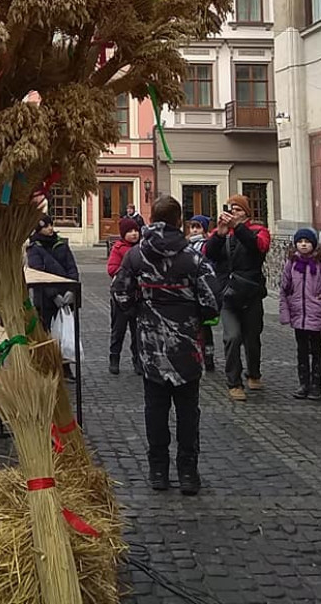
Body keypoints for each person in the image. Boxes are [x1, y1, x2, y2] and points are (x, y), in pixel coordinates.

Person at [111, 195, 219, 495]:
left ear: (153, 218)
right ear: (178, 220)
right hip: (186, 345)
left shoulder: (136, 255)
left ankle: (158, 470)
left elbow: (119, 292)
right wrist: (194, 317)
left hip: (151, 345)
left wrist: (139, 313)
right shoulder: (193, 257)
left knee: (155, 410)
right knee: (188, 411)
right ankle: (188, 472)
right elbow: (212, 299)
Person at [204, 194, 270, 402]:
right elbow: (209, 254)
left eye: (238, 210)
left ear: (246, 213)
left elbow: (258, 247)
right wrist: (220, 235)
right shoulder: (221, 232)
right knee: (232, 337)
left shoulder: (259, 231)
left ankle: (253, 373)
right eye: (231, 210)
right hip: (228, 295)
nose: (234, 214)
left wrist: (238, 228)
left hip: (251, 293)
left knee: (252, 338)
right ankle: (234, 382)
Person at [279, 228, 321, 400]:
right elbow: (284, 288)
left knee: (316, 350)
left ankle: (316, 386)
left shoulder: (320, 265)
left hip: (315, 314)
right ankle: (303, 384)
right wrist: (286, 312)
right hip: (299, 315)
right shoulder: (291, 264)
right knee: (302, 351)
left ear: (313, 244)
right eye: (300, 241)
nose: (303, 244)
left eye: (307, 241)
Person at [25, 214, 79, 336]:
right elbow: (38, 274)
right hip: (45, 300)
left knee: (66, 334)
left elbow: (71, 268)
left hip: (65, 296)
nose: (50, 228)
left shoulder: (61, 244)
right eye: (46, 226)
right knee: (45, 332)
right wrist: (54, 295)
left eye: (51, 225)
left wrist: (72, 290)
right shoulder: (34, 248)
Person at [107, 216, 142, 375]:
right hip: (121, 296)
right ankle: (114, 358)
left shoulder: (143, 248)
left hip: (138, 296)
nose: (134, 234)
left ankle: (138, 360)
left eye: (136, 230)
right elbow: (112, 268)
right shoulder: (118, 248)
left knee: (138, 332)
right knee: (118, 329)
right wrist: (129, 271)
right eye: (130, 231)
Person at [187, 215, 216, 372]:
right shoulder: (187, 245)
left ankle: (209, 357)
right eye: (192, 227)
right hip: (190, 291)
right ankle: (194, 356)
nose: (194, 230)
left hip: (203, 291)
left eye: (198, 227)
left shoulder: (206, 245)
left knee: (206, 328)